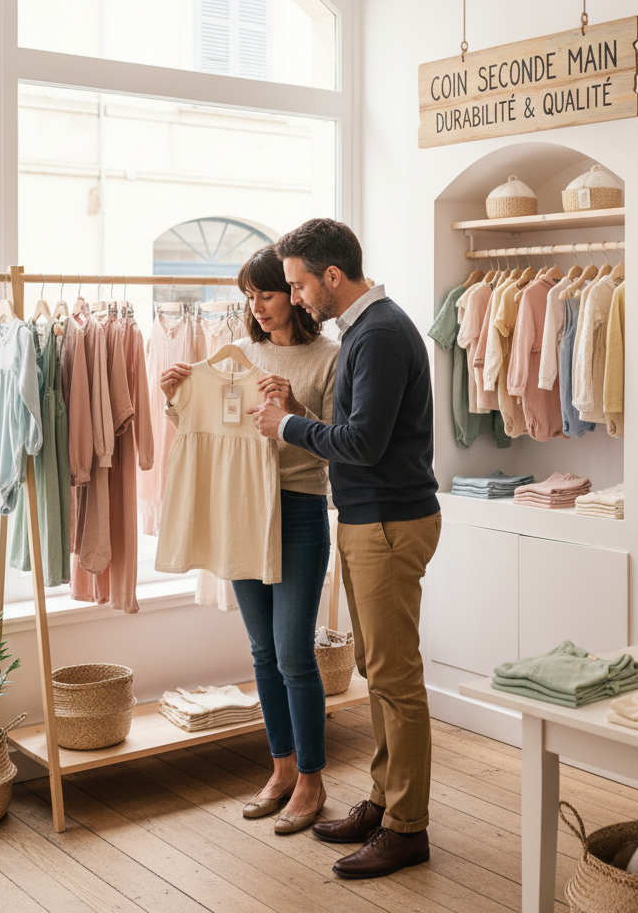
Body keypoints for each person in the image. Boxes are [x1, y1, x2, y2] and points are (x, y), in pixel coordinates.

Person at [251, 217, 441, 880]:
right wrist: (298, 404)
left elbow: (362, 444)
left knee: (395, 677)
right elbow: (360, 428)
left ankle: (406, 828)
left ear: (332, 277)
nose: (295, 296)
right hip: (371, 518)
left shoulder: (381, 333)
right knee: (376, 667)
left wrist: (287, 424)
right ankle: (386, 803)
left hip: (388, 521)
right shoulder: (367, 331)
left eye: (300, 284)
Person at [159, 246, 339, 835]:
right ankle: (281, 769)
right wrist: (172, 394)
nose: (257, 307)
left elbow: (338, 440)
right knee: (261, 652)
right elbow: (202, 425)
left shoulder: (328, 357)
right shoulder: (235, 357)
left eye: (267, 294)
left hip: (299, 508)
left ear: (294, 295)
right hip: (240, 509)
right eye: (251, 297)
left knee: (293, 652)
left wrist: (293, 407)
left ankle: (312, 778)